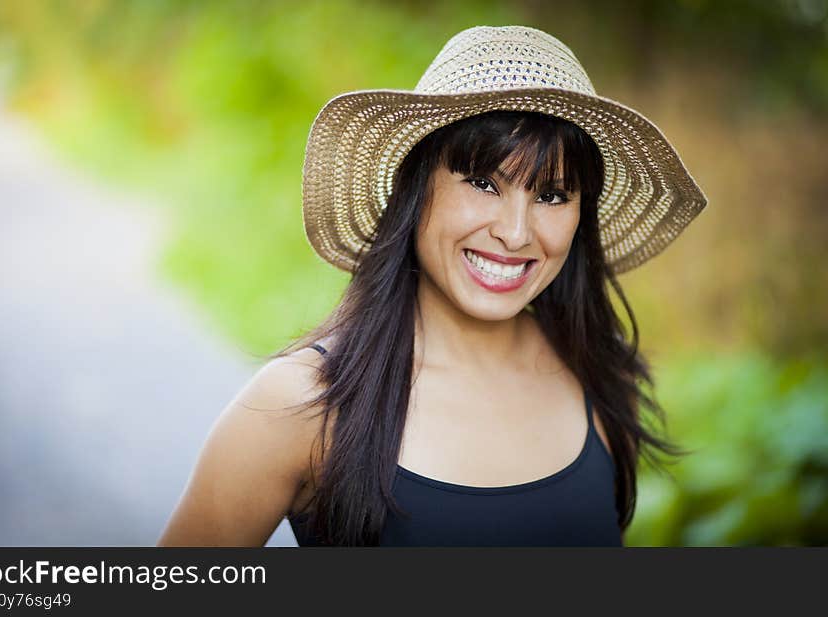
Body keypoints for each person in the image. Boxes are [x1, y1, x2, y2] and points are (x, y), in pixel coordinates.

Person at [158, 25, 707, 547]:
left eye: (553, 195)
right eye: (482, 182)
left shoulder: (598, 381)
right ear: (415, 188)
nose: (516, 233)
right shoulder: (302, 405)